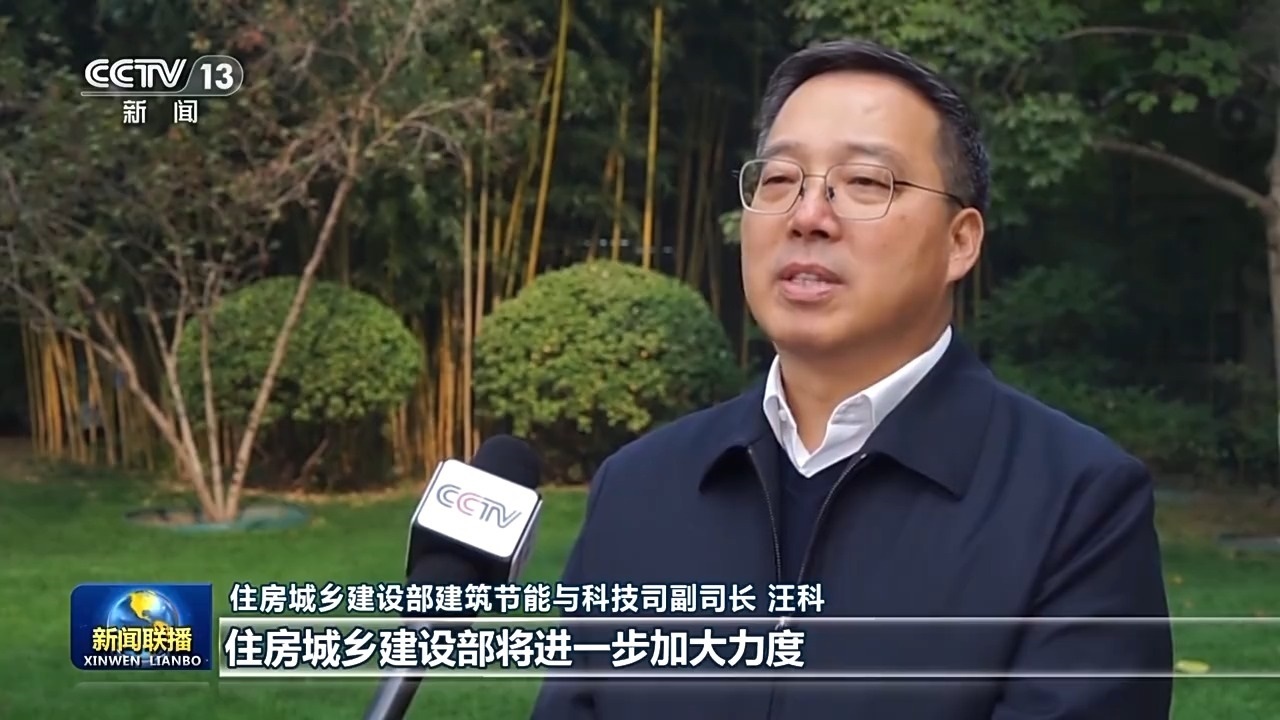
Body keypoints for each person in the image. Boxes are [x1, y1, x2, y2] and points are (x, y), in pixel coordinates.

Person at [529, 39, 1173, 720]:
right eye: (779, 180)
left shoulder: (1076, 501)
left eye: (866, 182)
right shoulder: (637, 487)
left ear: (960, 241)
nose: (807, 216)